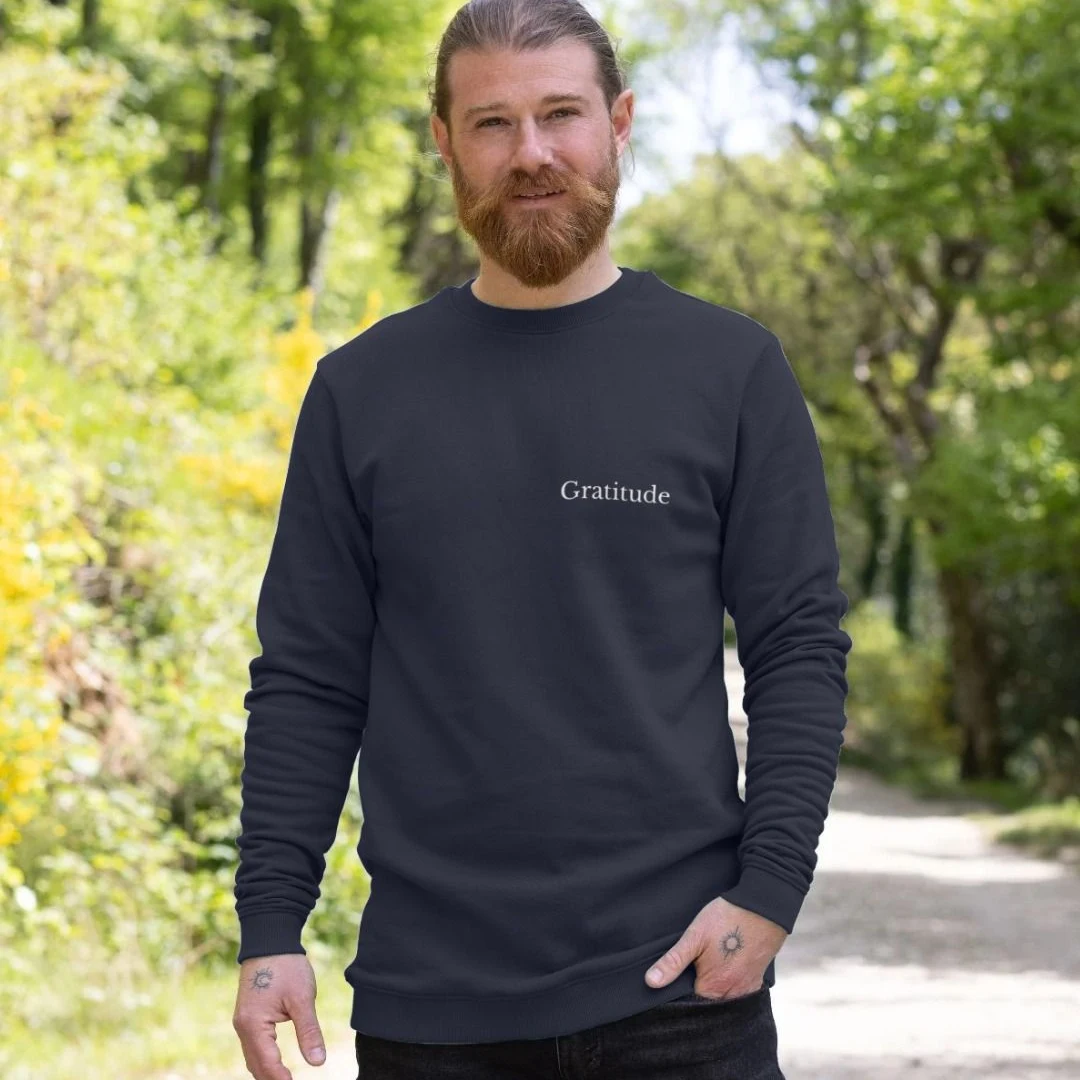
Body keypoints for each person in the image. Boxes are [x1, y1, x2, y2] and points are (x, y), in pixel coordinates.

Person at [231, 1, 852, 1077]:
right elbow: (309, 679)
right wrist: (271, 924)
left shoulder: (731, 371)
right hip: (434, 1008)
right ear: (444, 141)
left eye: (561, 114)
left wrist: (770, 892)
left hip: (683, 999)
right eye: (492, 123)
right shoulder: (361, 392)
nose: (532, 154)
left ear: (619, 122)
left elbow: (797, 645)